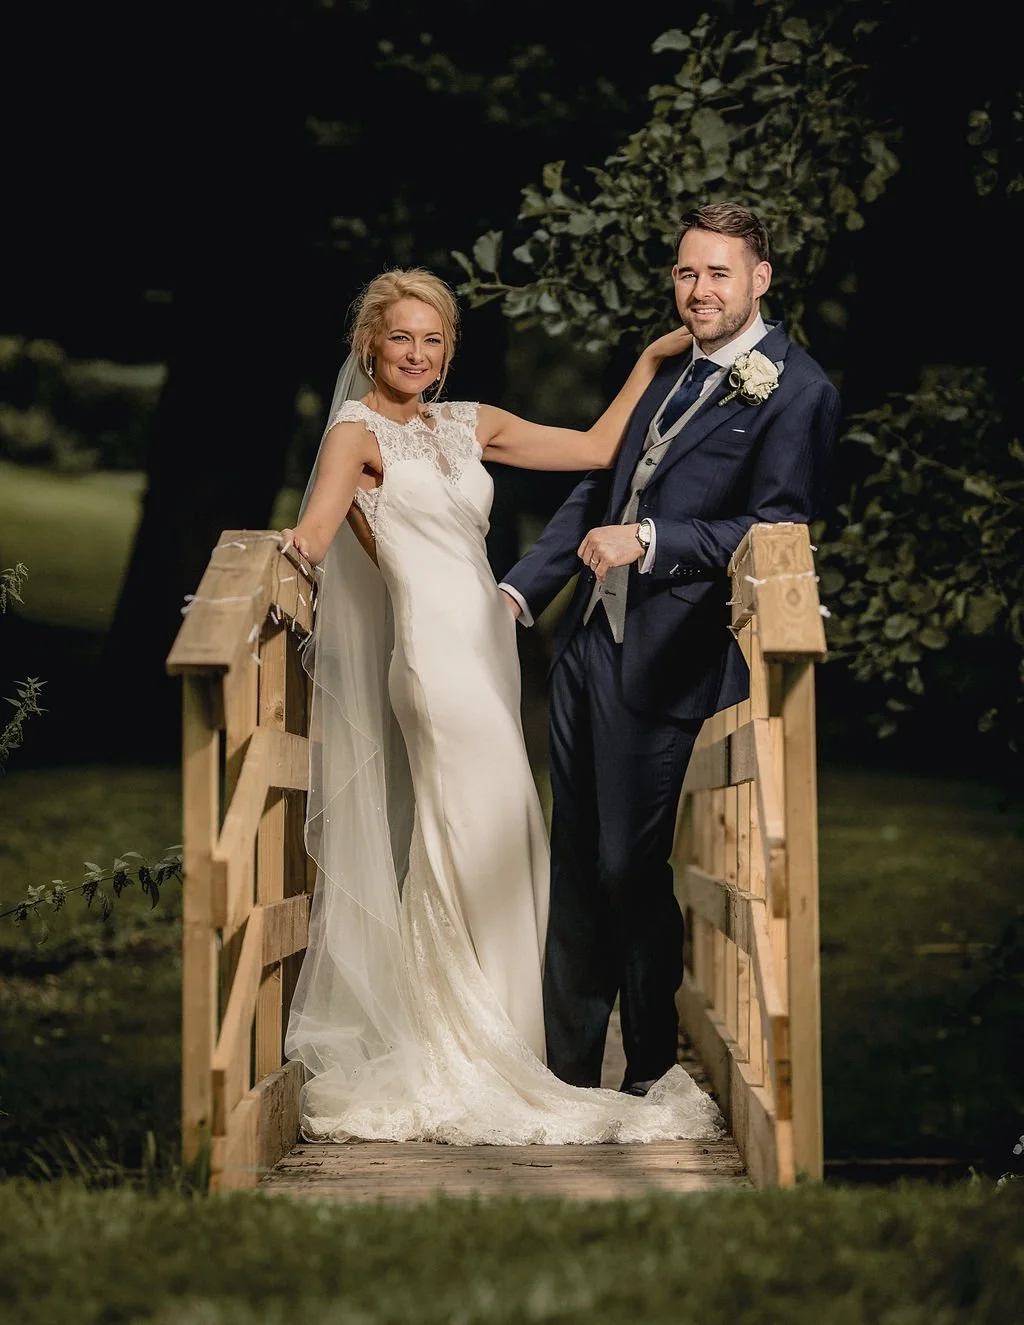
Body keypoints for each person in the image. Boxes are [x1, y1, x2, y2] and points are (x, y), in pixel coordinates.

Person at [280, 266, 722, 1144]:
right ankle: (464, 1045)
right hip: (435, 666)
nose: (416, 352)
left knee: (510, 830)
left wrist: (646, 360)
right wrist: (274, 567)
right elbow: (315, 537)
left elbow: (598, 449)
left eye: (432, 338)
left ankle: (510, 1042)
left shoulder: (467, 422)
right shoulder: (352, 434)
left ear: (447, 351)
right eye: (400, 336)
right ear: (370, 343)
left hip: (488, 649)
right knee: (463, 832)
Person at [500, 203, 841, 1095]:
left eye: (719, 273)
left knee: (627, 865)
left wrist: (651, 539)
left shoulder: (798, 390)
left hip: (670, 654)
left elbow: (776, 527)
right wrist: (521, 592)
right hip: (588, 645)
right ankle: (568, 1076)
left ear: (760, 278)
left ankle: (650, 1064)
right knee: (575, 862)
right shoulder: (667, 369)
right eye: (688, 274)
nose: (700, 291)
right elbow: (600, 487)